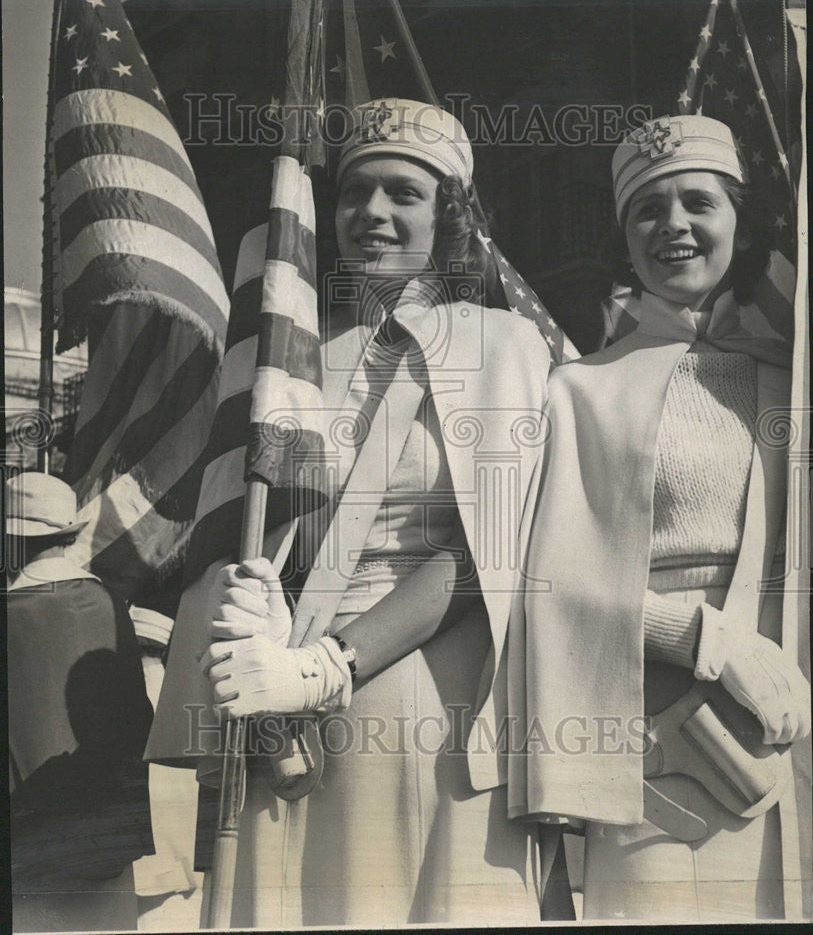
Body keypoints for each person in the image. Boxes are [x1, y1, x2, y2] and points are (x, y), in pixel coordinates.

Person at [152, 98, 554, 927]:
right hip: (277, 688)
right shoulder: (288, 356)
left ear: (448, 215)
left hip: (430, 677)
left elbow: (497, 548)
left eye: (404, 193)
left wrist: (333, 664)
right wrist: (249, 594)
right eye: (354, 192)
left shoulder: (500, 345)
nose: (371, 213)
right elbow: (256, 520)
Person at [510, 114, 810, 921]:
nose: (672, 225)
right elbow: (552, 583)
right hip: (656, 746)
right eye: (647, 209)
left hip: (794, 733)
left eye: (696, 203)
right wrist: (713, 642)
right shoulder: (580, 389)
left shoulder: (795, 378)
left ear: (738, 223)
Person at [6, 471, 154, 933]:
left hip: (29, 836)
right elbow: (139, 720)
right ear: (68, 536)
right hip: (107, 832)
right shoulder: (111, 602)